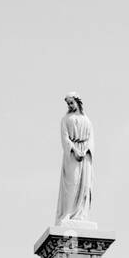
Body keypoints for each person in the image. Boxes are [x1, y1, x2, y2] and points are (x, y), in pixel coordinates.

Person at [56, 94, 94, 224]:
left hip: (85, 155)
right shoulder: (66, 119)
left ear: (78, 102)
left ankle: (80, 214)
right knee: (72, 182)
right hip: (72, 154)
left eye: (71, 103)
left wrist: (85, 150)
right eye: (68, 104)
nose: (70, 106)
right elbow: (65, 137)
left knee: (84, 185)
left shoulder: (87, 120)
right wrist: (74, 150)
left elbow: (91, 139)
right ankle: (68, 213)